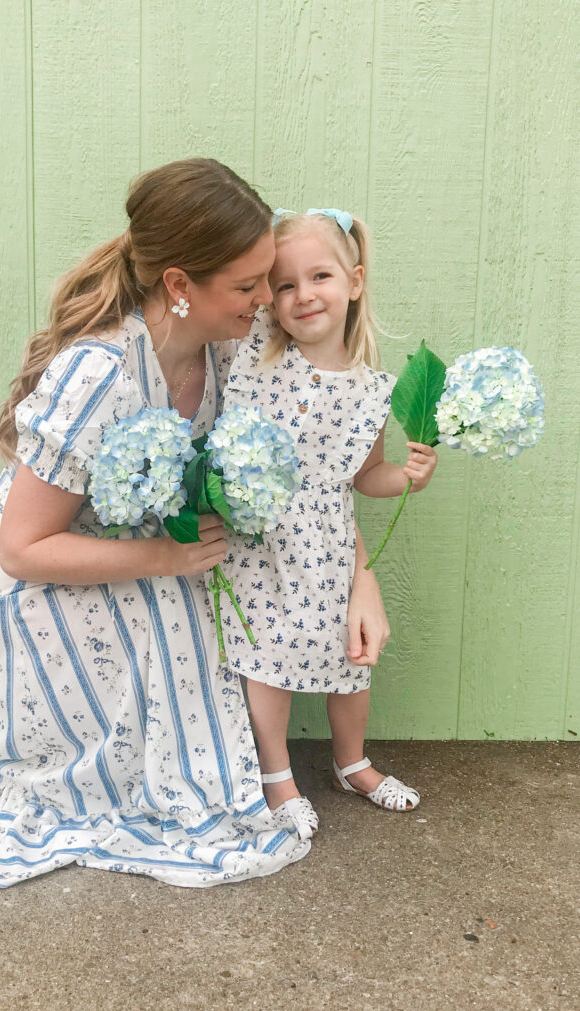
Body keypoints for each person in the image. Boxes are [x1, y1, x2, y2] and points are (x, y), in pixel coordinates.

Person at [0, 158, 325, 888]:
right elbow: (22, 548)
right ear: (177, 286)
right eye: (246, 284)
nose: (266, 299)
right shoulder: (98, 371)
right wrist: (165, 560)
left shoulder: (223, 351)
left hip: (139, 553)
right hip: (41, 584)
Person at [221, 208, 438, 838]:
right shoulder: (261, 355)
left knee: (352, 657)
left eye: (320, 276)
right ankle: (276, 775)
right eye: (285, 285)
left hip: (329, 543)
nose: (302, 295)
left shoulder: (375, 388)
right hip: (262, 539)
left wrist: (407, 476)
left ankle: (353, 762)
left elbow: (364, 474)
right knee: (269, 656)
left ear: (356, 282)